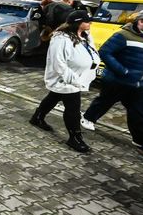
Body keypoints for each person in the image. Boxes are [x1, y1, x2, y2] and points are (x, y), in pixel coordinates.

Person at [82, 8, 143, 153]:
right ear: (141, 21)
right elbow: (105, 52)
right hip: (118, 81)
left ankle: (142, 141)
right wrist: (122, 71)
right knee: (105, 101)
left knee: (139, 112)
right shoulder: (123, 35)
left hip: (142, 83)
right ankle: (88, 118)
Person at [29, 11, 99, 153]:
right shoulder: (61, 39)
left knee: (54, 96)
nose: (90, 23)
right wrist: (73, 80)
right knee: (73, 108)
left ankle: (37, 117)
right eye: (87, 21)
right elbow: (58, 63)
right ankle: (75, 138)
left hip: (77, 77)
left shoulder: (84, 35)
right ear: (78, 23)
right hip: (67, 79)